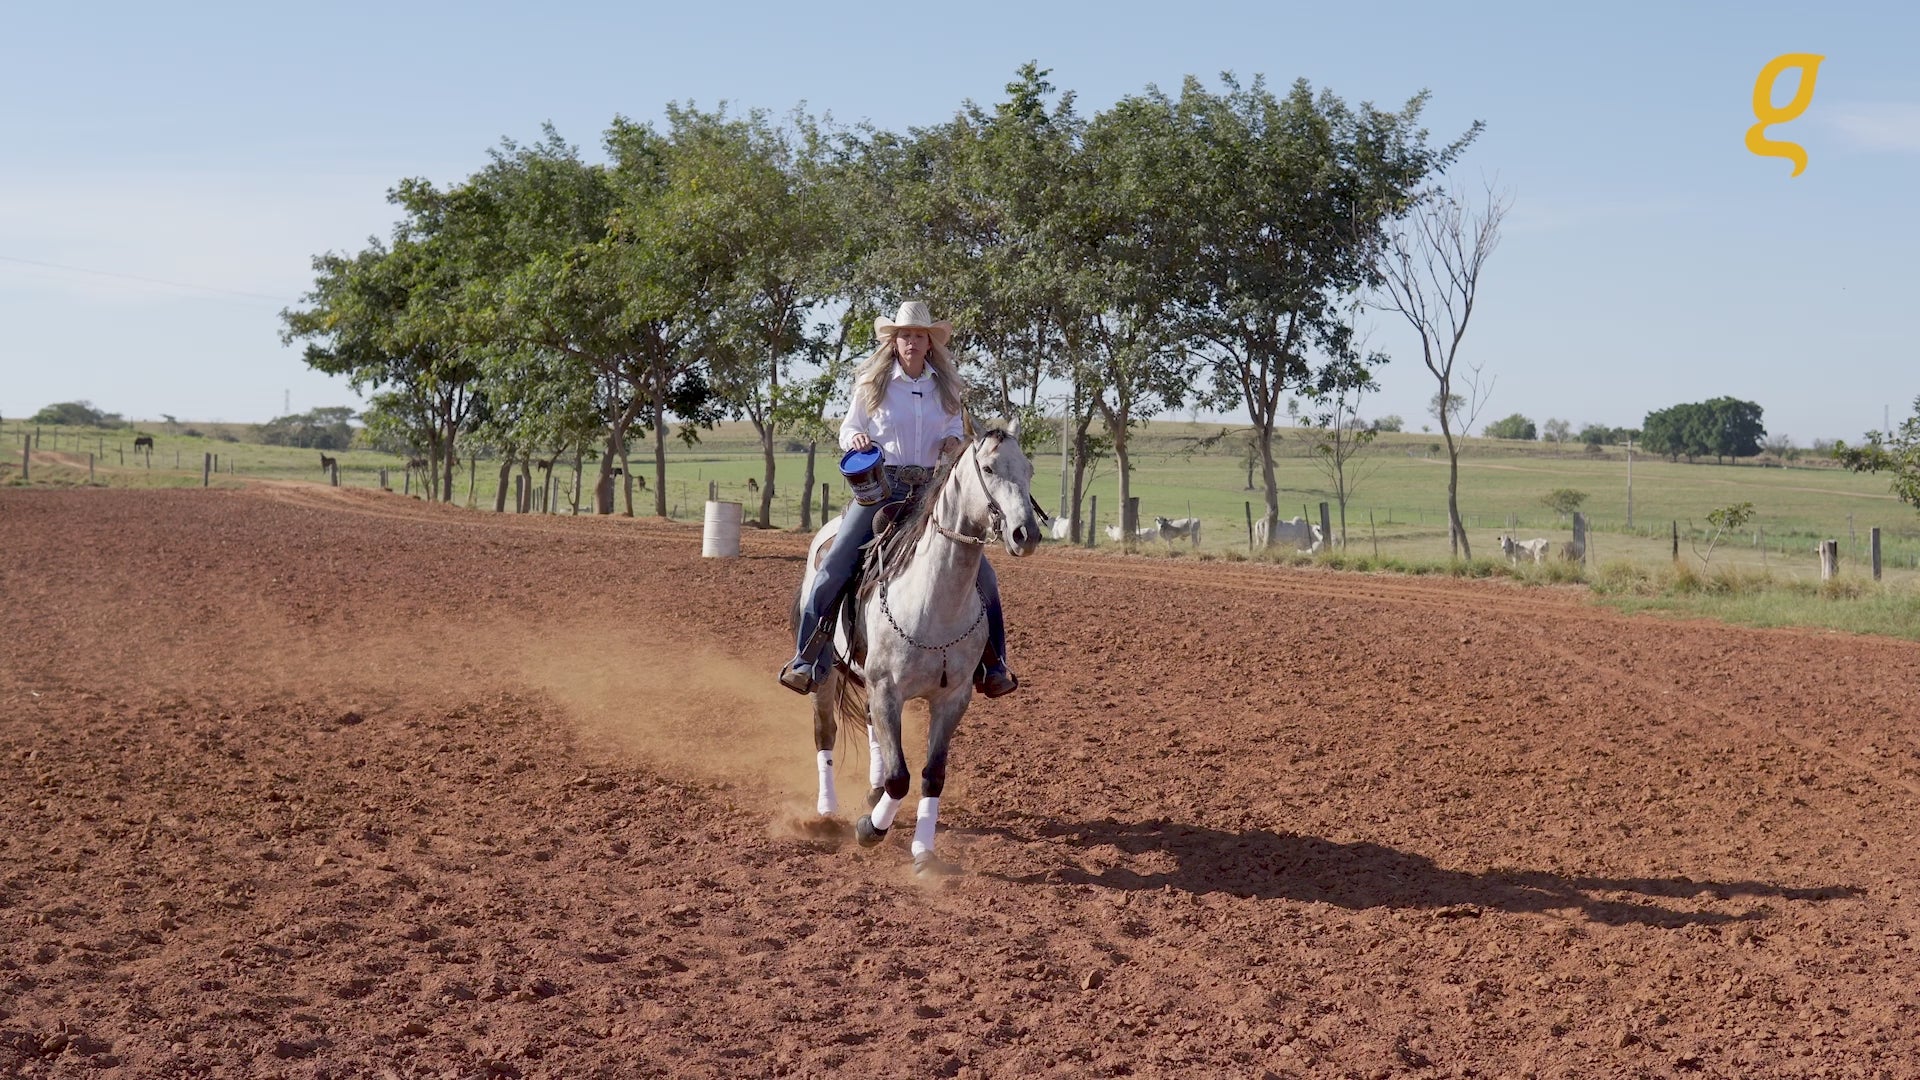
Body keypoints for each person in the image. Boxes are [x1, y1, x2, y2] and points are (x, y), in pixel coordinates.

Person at [778, 301, 1016, 698]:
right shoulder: (873, 384)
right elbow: (850, 427)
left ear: (928, 343)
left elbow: (957, 430)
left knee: (984, 575)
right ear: (894, 342)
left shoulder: (947, 388)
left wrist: (954, 441)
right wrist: (854, 438)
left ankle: (994, 664)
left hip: (932, 491)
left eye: (918, 336)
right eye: (904, 335)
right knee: (835, 564)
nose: (911, 342)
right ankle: (806, 657)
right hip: (882, 489)